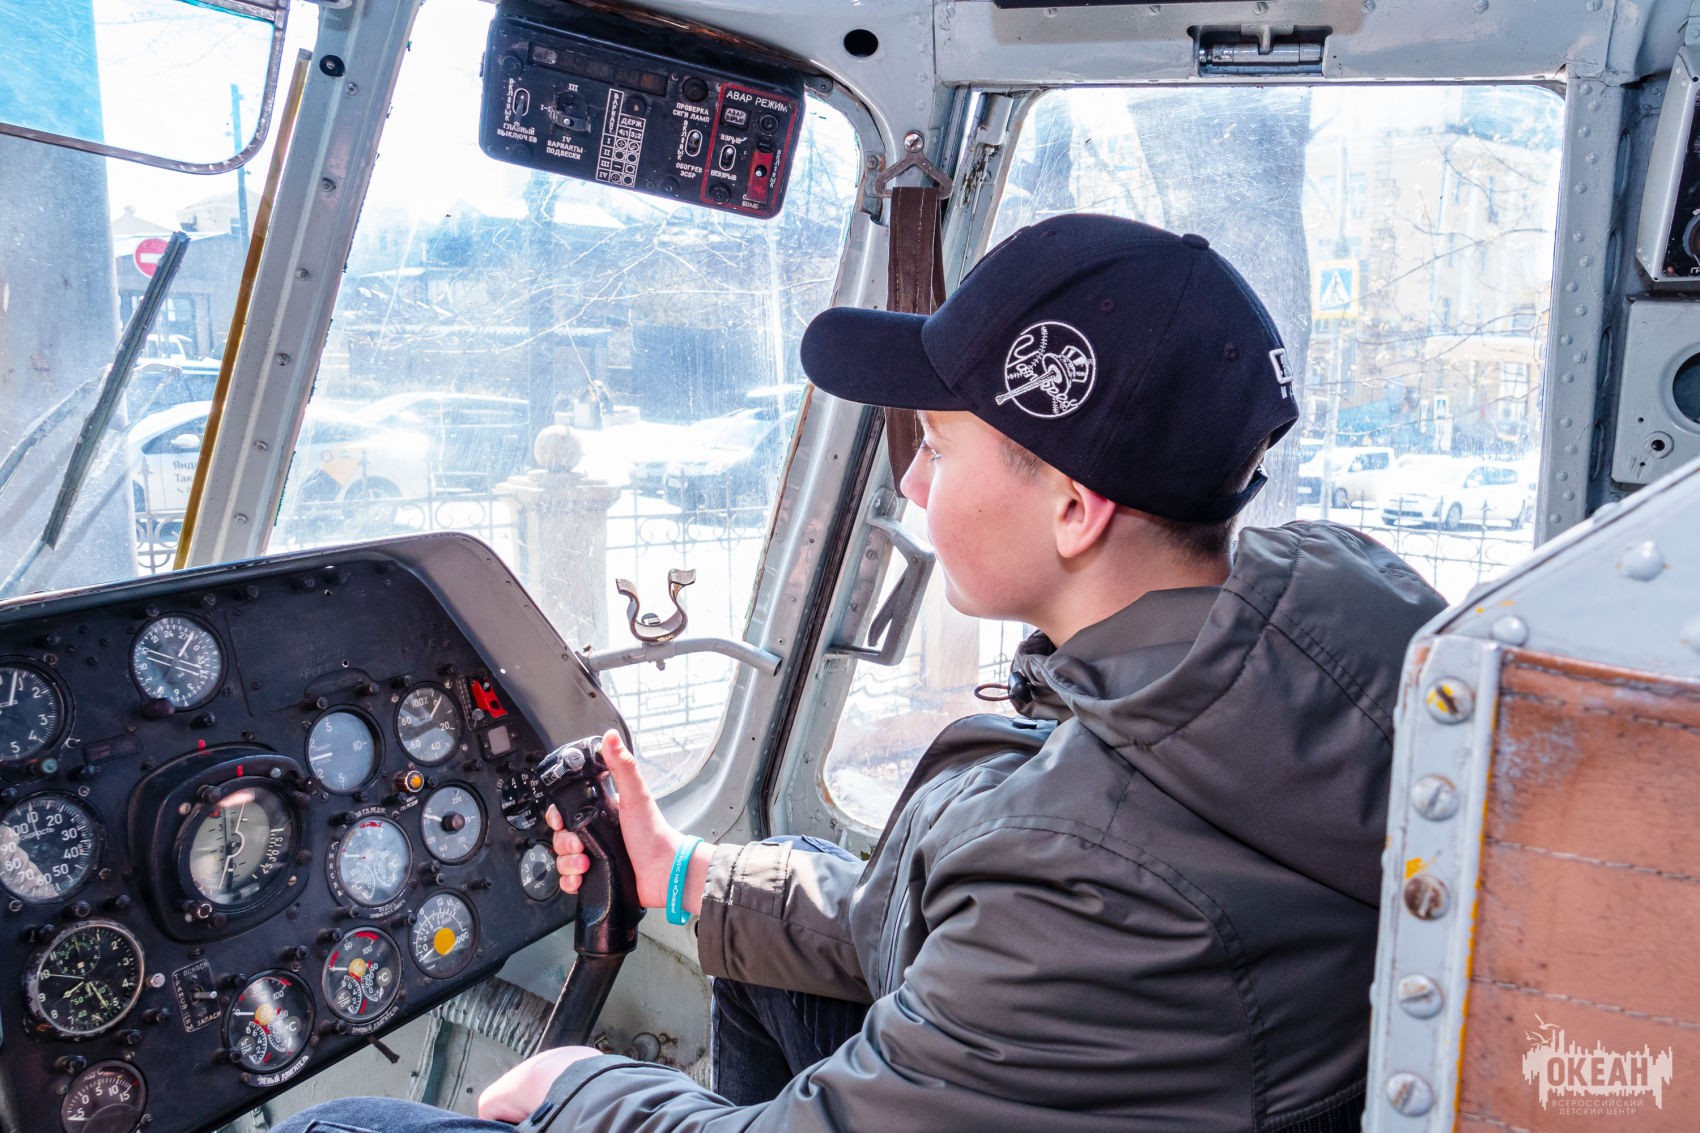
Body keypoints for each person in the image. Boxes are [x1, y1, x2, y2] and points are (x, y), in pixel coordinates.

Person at [276, 214, 1445, 1133]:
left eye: (934, 448)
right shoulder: (1295, 657)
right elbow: (973, 919)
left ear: (1073, 507)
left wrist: (581, 1089)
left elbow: (1042, 906)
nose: (913, 486)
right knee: (765, 947)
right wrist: (686, 878)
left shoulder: (1084, 860)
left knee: (347, 1125)